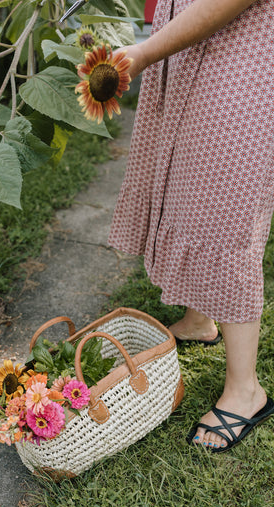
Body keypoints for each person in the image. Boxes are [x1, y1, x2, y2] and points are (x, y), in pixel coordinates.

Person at [108, 0, 274, 451]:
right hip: (189, 49)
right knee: (186, 180)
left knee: (228, 212)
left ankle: (246, 391)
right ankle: (200, 319)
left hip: (242, 55)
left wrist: (143, 53)